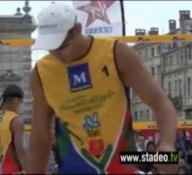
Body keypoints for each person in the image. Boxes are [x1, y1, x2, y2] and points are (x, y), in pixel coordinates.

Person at [28, 3, 177, 174]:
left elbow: (161, 103)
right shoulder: (41, 73)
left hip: (123, 161)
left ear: (77, 29)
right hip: (74, 168)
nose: (57, 54)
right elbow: (40, 133)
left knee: (171, 159)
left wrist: (167, 144)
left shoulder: (116, 53)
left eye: (62, 46)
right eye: (50, 47)